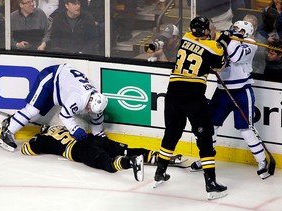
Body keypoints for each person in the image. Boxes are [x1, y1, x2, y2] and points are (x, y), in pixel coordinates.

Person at [153, 16, 227, 200]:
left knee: (171, 133)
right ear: (206, 31)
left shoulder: (185, 38)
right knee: (205, 137)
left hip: (172, 93)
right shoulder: (212, 46)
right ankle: (211, 183)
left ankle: (160, 172)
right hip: (193, 96)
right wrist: (223, 40)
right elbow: (220, 65)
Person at [191, 21, 270, 180]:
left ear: (246, 32)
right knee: (211, 125)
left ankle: (262, 161)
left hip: (241, 91)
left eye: (239, 29)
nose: (235, 31)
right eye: (234, 28)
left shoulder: (251, 44)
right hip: (222, 91)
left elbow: (236, 56)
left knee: (246, 129)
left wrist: (228, 39)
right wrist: (222, 41)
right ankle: (206, 159)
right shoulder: (225, 40)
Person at [0, 63, 108, 152]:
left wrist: (99, 137)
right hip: (51, 78)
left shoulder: (96, 105)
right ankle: (7, 133)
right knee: (32, 110)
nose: (88, 110)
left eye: (91, 110)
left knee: (36, 117)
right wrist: (75, 129)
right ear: (91, 99)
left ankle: (10, 122)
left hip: (59, 88)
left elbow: (96, 122)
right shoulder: (79, 98)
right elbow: (64, 115)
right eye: (89, 107)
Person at [21, 125, 186, 181]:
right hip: (96, 139)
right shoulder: (63, 127)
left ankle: (131, 162)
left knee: (106, 163)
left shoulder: (44, 139)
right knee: (125, 148)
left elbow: (26, 149)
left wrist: (36, 137)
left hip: (80, 150)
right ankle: (159, 156)